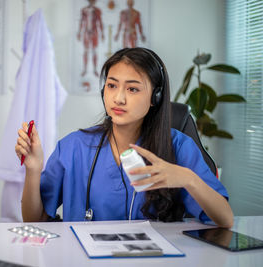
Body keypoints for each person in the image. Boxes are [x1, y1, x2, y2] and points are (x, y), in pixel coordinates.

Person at [15, 47, 234, 228]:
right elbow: (35, 221)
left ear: (155, 98)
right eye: (111, 86)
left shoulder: (178, 146)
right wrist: (33, 169)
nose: (118, 98)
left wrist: (188, 178)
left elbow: (225, 220)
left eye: (132, 89)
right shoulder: (74, 147)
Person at [77, 0, 104, 77]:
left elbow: (100, 22)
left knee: (94, 51)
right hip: (86, 32)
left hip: (94, 32)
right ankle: (85, 69)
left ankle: (95, 69)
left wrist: (102, 33)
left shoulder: (97, 11)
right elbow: (82, 21)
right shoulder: (84, 10)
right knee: (86, 51)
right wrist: (79, 32)